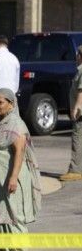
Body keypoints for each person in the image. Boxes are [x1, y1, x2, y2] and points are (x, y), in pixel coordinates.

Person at [0, 88, 41, 237]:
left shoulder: (16, 125)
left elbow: (19, 152)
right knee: (0, 222)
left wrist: (13, 177)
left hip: (10, 182)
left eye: (0, 102)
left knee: (14, 221)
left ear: (11, 104)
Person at [60, 46, 82, 181]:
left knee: (77, 139)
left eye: (77, 54)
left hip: (81, 113)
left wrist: (77, 107)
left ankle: (75, 170)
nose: (76, 57)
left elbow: (81, 90)